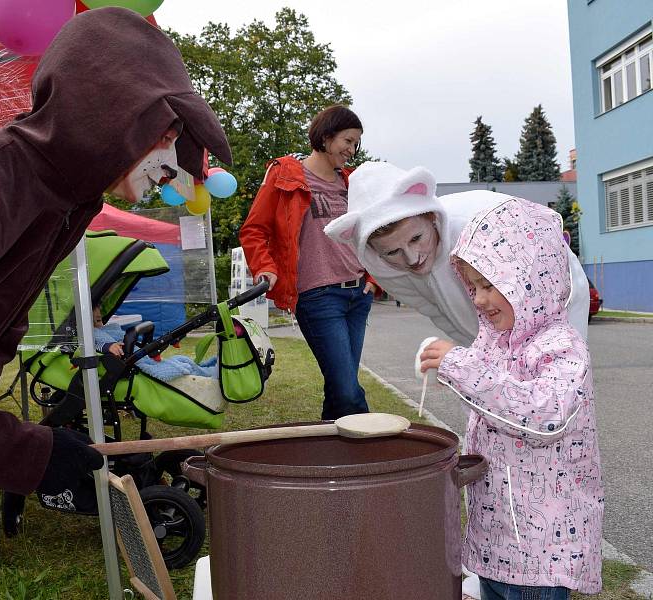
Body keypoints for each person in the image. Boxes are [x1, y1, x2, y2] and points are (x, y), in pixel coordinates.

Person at [0, 8, 231, 599]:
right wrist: (26, 453)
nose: (173, 157)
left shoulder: (58, 205)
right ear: (106, 112)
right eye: (164, 130)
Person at [418, 198, 604, 598]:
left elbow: (544, 417)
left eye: (489, 285)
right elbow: (494, 403)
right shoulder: (496, 343)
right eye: (472, 287)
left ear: (531, 278)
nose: (479, 299)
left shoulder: (562, 348)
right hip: (498, 539)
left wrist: (465, 369)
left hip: (543, 552)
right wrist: (459, 372)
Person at [324, 161, 590, 345]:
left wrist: (508, 370)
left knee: (551, 389)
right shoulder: (388, 268)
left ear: (430, 216)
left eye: (417, 238)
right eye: (392, 251)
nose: (412, 258)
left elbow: (533, 307)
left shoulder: (484, 226)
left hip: (553, 299)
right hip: (493, 321)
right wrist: (475, 360)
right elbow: (439, 312)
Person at [239, 105, 377, 420]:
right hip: (318, 296)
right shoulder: (285, 173)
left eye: (356, 143)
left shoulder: (352, 182)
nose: (352, 149)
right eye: (347, 140)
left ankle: (332, 455)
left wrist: (373, 278)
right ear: (326, 136)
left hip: (358, 295)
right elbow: (254, 230)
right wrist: (265, 267)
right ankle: (371, 450)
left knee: (340, 386)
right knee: (347, 389)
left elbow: (373, 231)